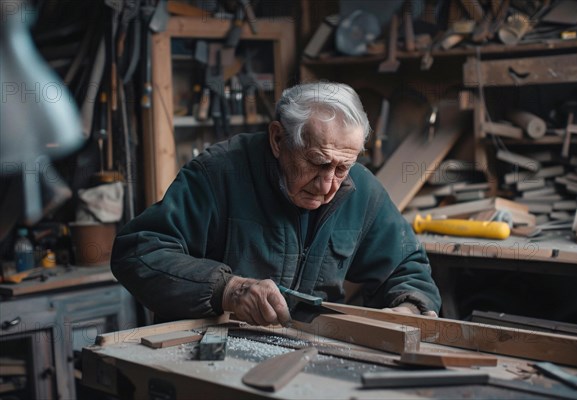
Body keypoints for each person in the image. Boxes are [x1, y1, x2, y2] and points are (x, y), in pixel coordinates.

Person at [111, 82, 441, 326]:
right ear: (278, 139)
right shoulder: (219, 173)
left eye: (341, 168)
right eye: (316, 162)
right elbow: (137, 252)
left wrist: (408, 308)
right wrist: (228, 289)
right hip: (207, 351)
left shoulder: (361, 189)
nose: (328, 185)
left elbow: (406, 265)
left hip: (307, 355)